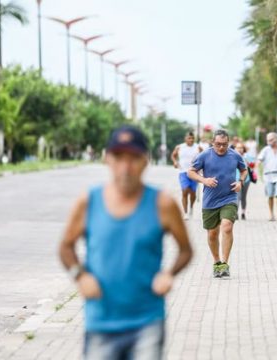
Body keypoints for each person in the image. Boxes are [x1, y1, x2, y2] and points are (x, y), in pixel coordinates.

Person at [59, 125, 193, 359]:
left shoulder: (162, 204)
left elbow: (186, 251)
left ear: (146, 161)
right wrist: (80, 275)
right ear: (107, 160)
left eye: (134, 158)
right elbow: (65, 247)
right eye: (118, 157)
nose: (126, 167)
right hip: (101, 320)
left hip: (147, 320)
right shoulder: (89, 202)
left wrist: (169, 274)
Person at [187, 129, 247, 278]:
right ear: (213, 142)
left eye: (224, 145)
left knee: (227, 227)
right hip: (210, 200)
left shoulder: (235, 155)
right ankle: (217, 262)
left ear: (228, 143)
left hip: (229, 197)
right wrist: (204, 180)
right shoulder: (204, 155)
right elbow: (191, 172)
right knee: (212, 233)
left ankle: (225, 264)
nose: (221, 147)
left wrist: (240, 182)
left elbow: (244, 170)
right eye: (218, 144)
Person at [171, 132, 202, 220]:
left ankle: (191, 207)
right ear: (185, 139)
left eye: (192, 138)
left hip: (194, 172)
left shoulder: (198, 147)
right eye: (189, 138)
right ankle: (185, 212)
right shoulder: (179, 147)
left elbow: (204, 157)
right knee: (185, 191)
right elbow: (173, 156)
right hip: (183, 172)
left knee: (193, 193)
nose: (191, 140)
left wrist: (201, 167)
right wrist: (175, 162)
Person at [234, 142, 255, 220]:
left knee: (243, 197)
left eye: (241, 148)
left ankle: (243, 213)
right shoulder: (232, 157)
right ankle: (236, 213)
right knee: (237, 197)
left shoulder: (247, 156)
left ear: (244, 149)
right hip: (236, 180)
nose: (239, 149)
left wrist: (248, 162)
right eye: (238, 148)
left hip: (246, 180)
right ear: (235, 148)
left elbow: (253, 166)